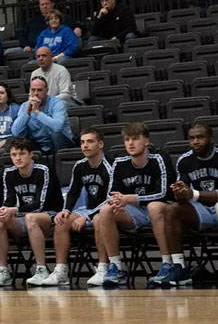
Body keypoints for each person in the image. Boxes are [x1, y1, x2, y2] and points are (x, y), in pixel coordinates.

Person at [93, 122, 175, 286]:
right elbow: (112, 192)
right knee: (105, 211)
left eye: (135, 139)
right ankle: (116, 266)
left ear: (146, 141)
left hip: (161, 209)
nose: (130, 143)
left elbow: (164, 192)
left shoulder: (158, 158)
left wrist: (131, 198)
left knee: (154, 206)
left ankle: (168, 263)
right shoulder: (120, 162)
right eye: (127, 139)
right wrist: (118, 201)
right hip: (134, 212)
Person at [40, 128, 113, 287]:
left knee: (99, 218)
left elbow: (110, 198)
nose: (85, 145)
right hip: (90, 209)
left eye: (90, 141)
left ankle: (103, 268)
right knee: (62, 220)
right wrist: (66, 210)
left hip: (109, 209)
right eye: (82, 142)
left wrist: (86, 217)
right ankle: (61, 271)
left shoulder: (110, 165)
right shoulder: (80, 166)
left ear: (100, 144)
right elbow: (73, 192)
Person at [0, 139, 63, 287]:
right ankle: (3, 272)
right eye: (14, 154)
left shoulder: (43, 170)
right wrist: (4, 209)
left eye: (21, 154)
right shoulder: (9, 173)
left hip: (51, 215)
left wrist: (14, 210)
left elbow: (41, 204)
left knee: (31, 218)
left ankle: (42, 269)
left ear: (30, 155)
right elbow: (9, 200)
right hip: (26, 216)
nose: (17, 158)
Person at [163, 123, 217, 286]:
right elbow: (184, 193)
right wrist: (180, 193)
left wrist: (193, 194)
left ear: (211, 139)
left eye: (200, 137)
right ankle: (179, 267)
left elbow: (194, 194)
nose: (195, 142)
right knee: (172, 210)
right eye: (192, 138)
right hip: (201, 209)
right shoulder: (185, 160)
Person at [11, 77, 73, 152]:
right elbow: (15, 132)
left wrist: (37, 112)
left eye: (39, 90)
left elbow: (57, 127)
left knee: (56, 135)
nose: (36, 93)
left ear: (46, 91)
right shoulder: (25, 106)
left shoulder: (57, 103)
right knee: (15, 140)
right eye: (33, 90)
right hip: (37, 144)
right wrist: (27, 112)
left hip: (60, 142)